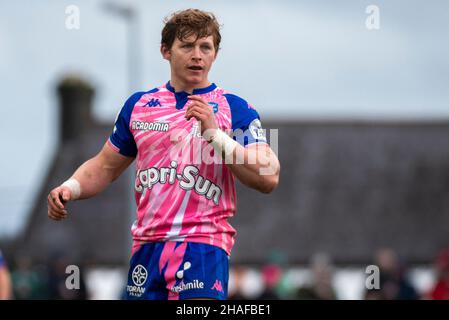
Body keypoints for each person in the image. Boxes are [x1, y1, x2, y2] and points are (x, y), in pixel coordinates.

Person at [47, 8, 280, 300]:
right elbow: (105, 167)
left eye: (205, 47)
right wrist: (69, 187)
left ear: (215, 54)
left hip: (202, 247)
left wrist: (215, 135)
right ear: (165, 51)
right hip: (146, 249)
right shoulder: (139, 106)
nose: (197, 55)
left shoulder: (235, 108)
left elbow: (269, 174)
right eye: (187, 46)